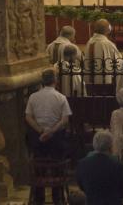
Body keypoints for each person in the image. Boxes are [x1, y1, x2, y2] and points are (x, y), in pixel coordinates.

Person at [25, 69, 71, 204]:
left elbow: (28, 117)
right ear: (55, 81)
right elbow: (65, 120)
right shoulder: (61, 97)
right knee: (57, 166)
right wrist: (51, 131)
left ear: (42, 82)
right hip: (56, 139)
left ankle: (39, 199)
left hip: (38, 139)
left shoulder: (33, 97)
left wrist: (41, 131)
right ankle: (58, 198)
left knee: (39, 167)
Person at [75, 130, 123, 205]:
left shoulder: (82, 164)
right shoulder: (117, 165)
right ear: (110, 146)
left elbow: (81, 186)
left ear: (94, 144)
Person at [84, 20, 122, 85]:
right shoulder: (108, 44)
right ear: (108, 30)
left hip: (89, 79)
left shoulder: (89, 42)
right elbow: (119, 61)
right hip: (104, 80)